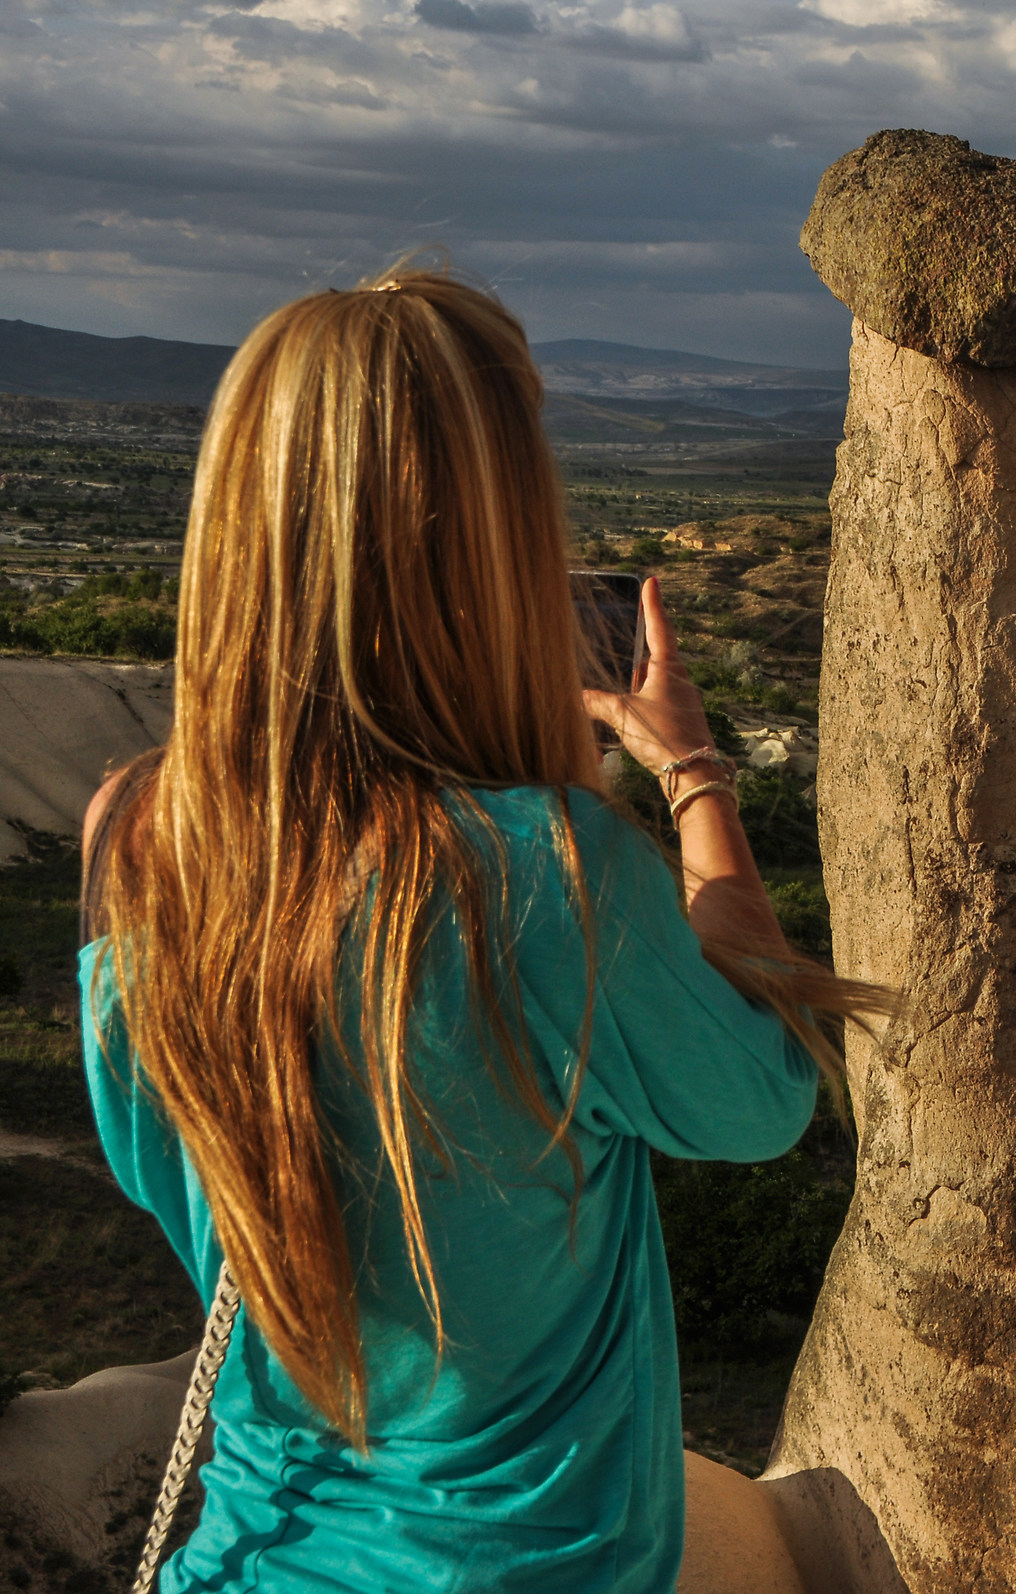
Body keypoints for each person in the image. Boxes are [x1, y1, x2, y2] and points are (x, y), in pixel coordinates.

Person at [77, 263, 879, 1592]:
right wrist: (691, 779)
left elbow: (167, 1170)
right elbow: (761, 1097)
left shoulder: (137, 842)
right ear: (494, 541)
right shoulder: (550, 869)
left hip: (249, 1556)